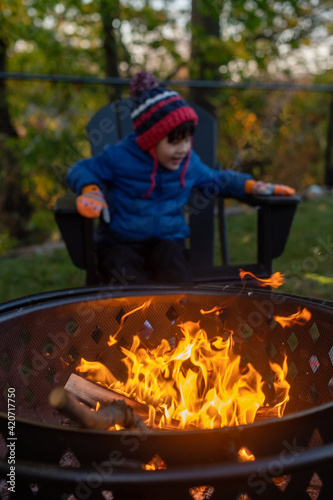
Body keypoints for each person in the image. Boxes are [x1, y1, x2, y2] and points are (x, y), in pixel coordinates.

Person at [66, 71, 295, 285]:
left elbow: (219, 180)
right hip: (121, 241)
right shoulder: (120, 157)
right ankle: (139, 325)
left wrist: (254, 186)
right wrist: (90, 190)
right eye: (173, 141)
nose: (182, 149)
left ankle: (177, 321)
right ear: (150, 140)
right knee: (122, 269)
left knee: (174, 266)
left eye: (186, 140)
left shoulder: (189, 163)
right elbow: (80, 169)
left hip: (168, 241)